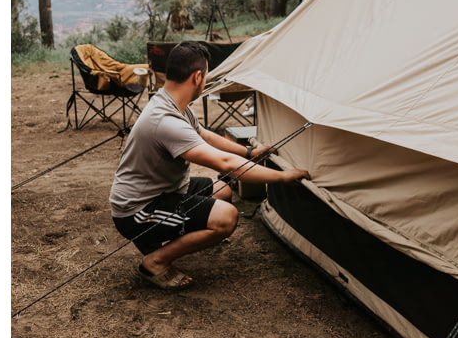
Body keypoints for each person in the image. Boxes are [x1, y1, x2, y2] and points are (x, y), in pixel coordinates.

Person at [109, 41, 310, 290]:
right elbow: (224, 163)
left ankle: (162, 239)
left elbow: (204, 134)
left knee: (222, 191)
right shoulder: (166, 121)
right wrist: (282, 176)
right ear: (197, 77)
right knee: (226, 218)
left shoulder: (170, 103)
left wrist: (249, 151)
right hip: (137, 211)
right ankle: (155, 261)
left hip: (161, 193)